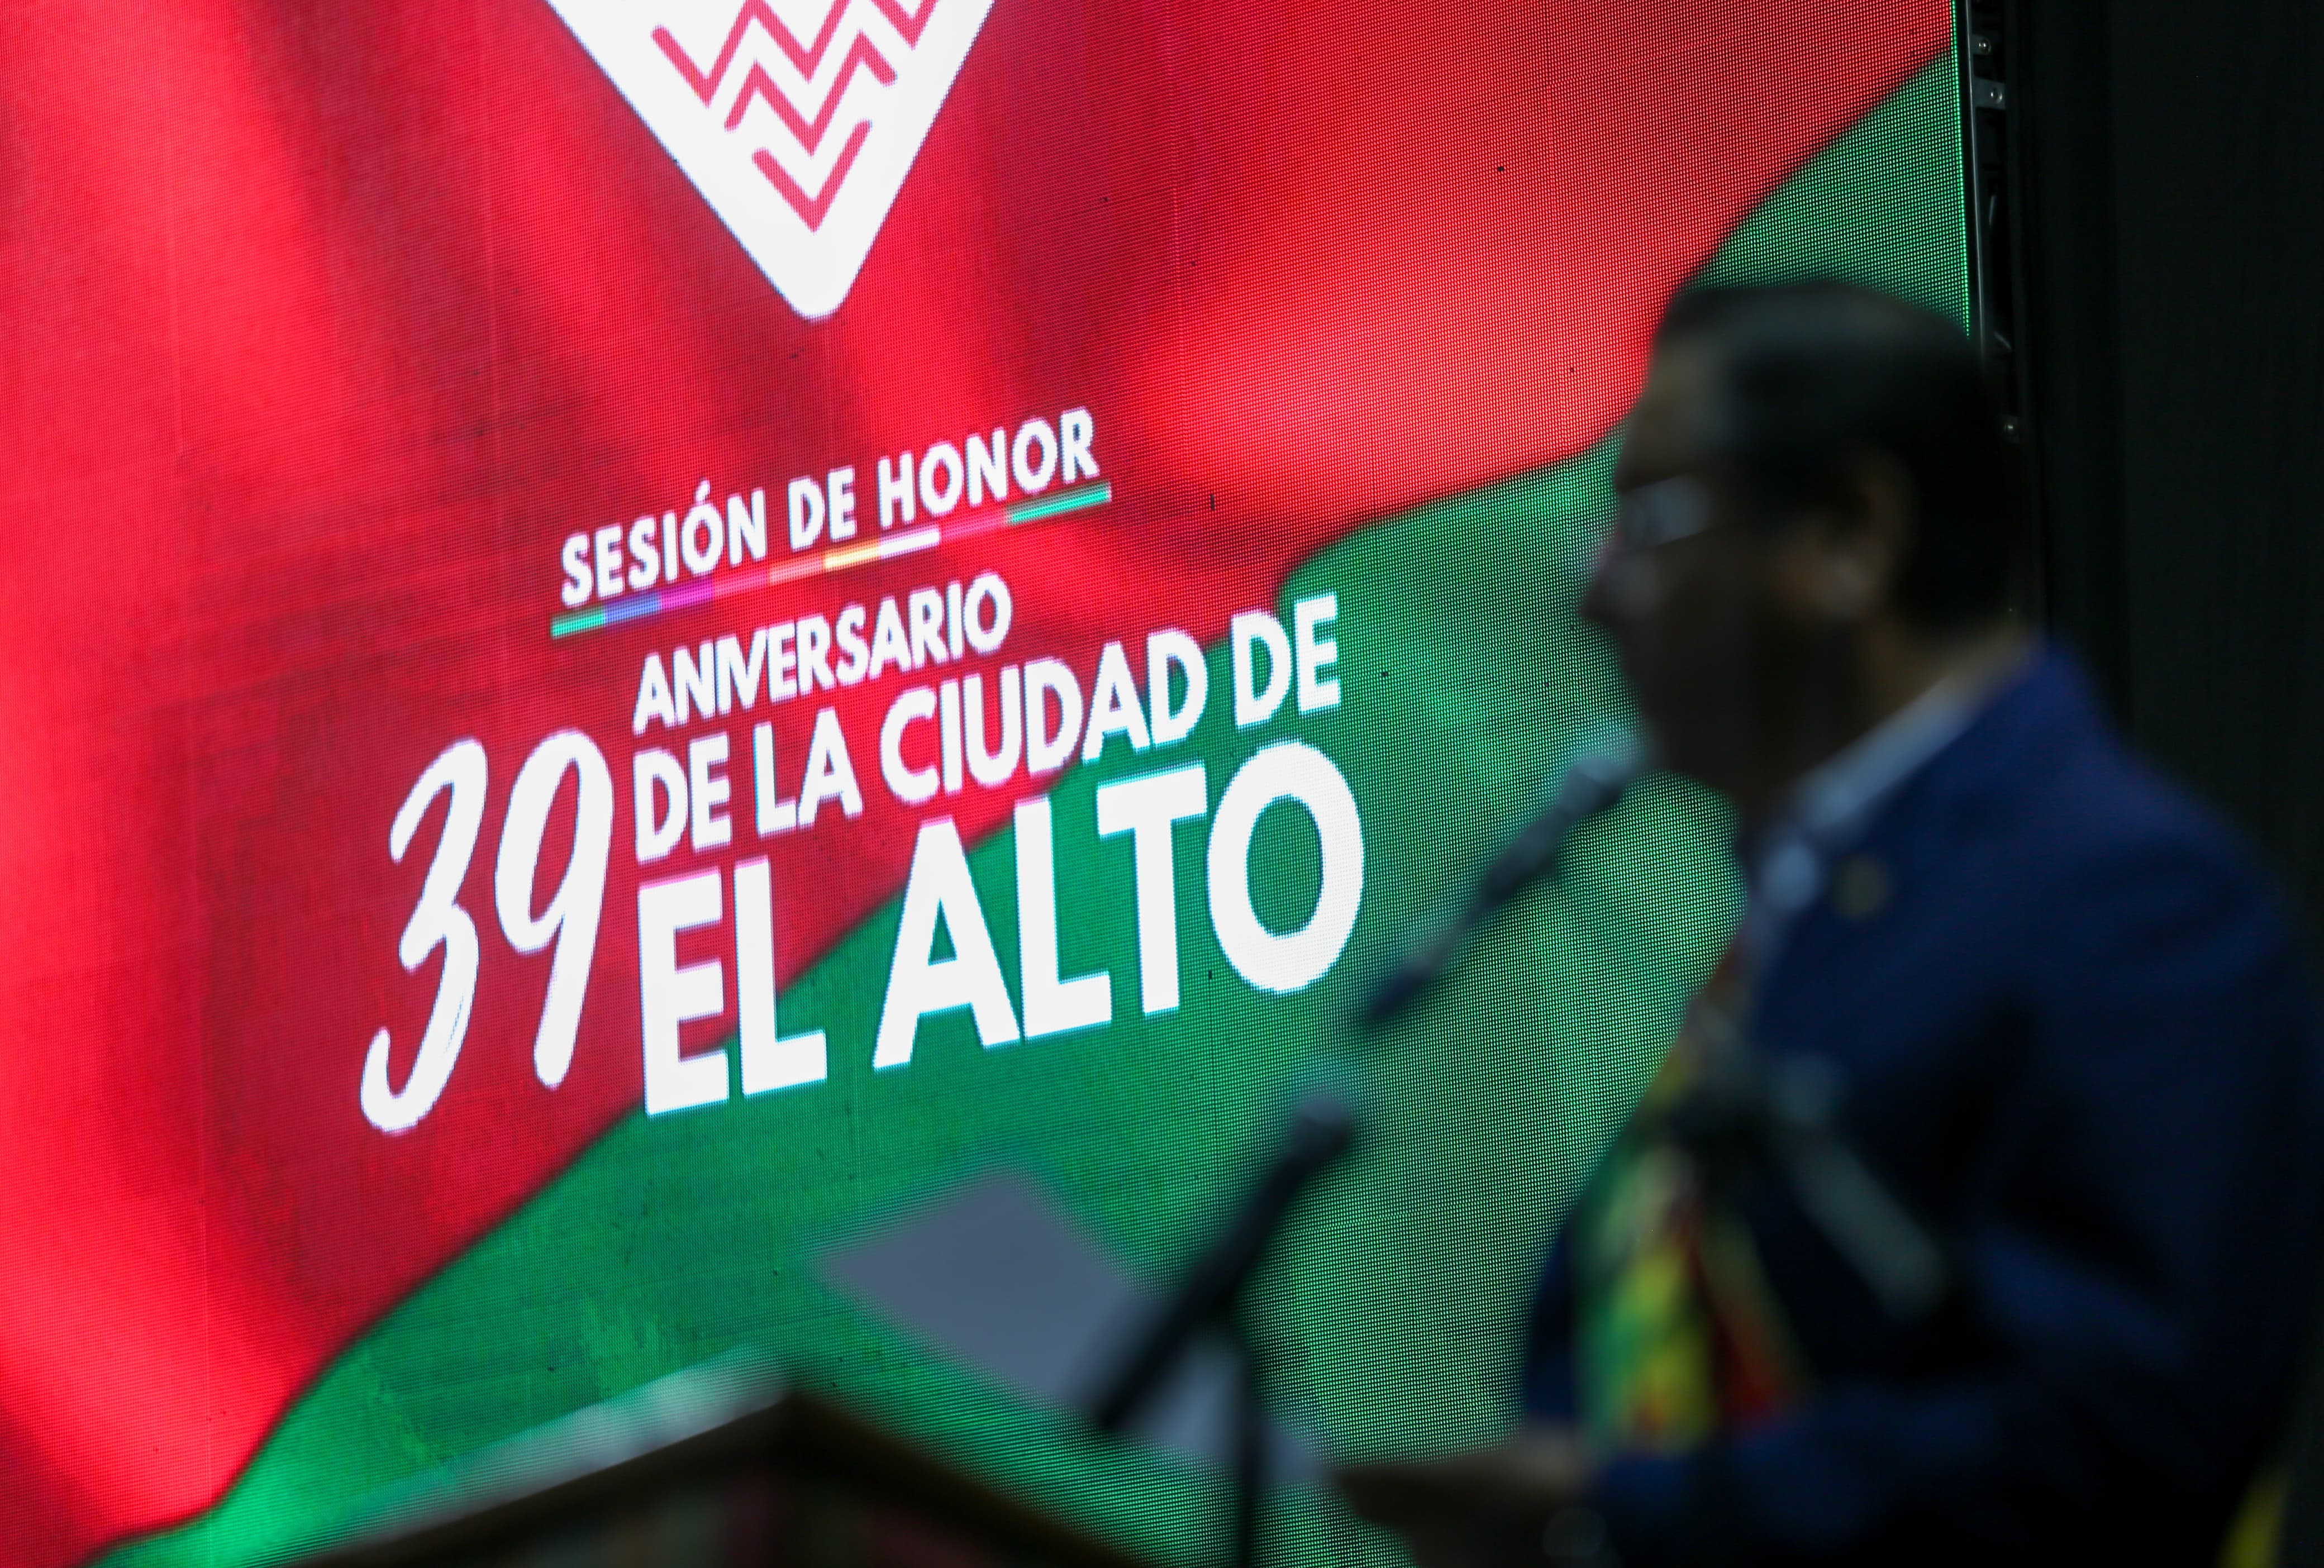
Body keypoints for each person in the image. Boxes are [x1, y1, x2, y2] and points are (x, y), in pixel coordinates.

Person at [1337, 282, 2324, 1565]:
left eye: (1651, 521)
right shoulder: (1808, 934)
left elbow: (2119, 1446)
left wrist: (1614, 1513)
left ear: (1852, 535)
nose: (1594, 595)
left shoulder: (2130, 902)